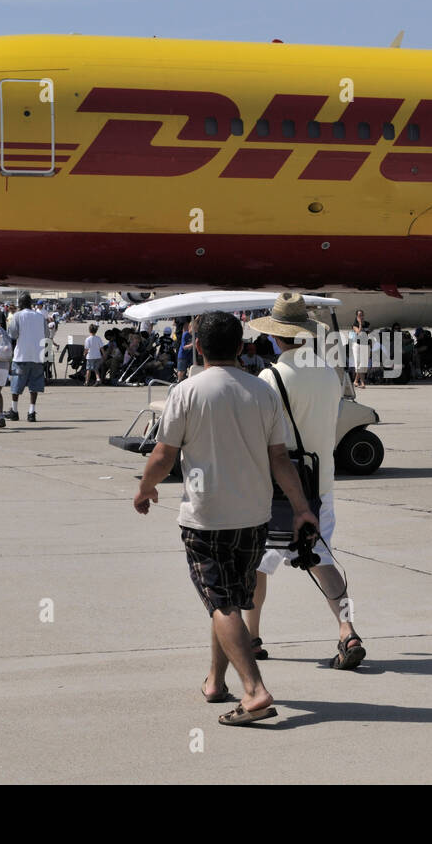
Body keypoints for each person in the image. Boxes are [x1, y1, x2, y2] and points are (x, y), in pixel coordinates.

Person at [134, 311, 319, 727]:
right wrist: (302, 506)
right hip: (254, 518)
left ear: (198, 347)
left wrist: (146, 488)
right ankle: (216, 682)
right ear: (241, 347)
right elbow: (279, 460)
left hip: (206, 518)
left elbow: (164, 455)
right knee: (229, 602)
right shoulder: (263, 392)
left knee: (221, 603)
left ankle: (254, 691)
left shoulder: (186, 392)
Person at [245, 294, 365, 670]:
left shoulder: (271, 376)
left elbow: (263, 434)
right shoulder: (329, 372)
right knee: (322, 558)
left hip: (278, 486)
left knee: (258, 564)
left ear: (275, 336)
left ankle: (252, 638)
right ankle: (347, 629)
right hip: (321, 482)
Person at [5, 293, 48, 422]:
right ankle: (31, 412)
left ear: (20, 304)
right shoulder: (40, 317)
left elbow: (12, 334)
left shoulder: (17, 316)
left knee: (16, 385)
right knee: (34, 386)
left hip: (21, 356)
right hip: (37, 356)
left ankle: (14, 410)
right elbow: (46, 333)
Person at [351, 309, 370, 388]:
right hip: (357, 345)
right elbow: (359, 332)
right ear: (357, 316)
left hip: (365, 345)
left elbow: (366, 334)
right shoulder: (354, 324)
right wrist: (360, 324)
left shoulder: (367, 324)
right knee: (359, 363)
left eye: (362, 315)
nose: (361, 317)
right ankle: (362, 382)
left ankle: (355, 381)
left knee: (363, 364)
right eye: (359, 315)